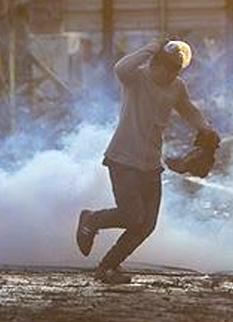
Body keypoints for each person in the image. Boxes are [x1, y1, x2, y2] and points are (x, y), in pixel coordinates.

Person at [75, 40, 217, 284]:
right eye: (168, 68)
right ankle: (91, 220)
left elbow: (188, 110)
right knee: (131, 215)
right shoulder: (136, 78)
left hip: (150, 162)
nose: (171, 74)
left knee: (146, 224)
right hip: (123, 158)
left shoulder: (177, 86)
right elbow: (120, 68)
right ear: (155, 63)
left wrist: (206, 129)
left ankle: (107, 267)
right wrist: (151, 47)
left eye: (176, 70)